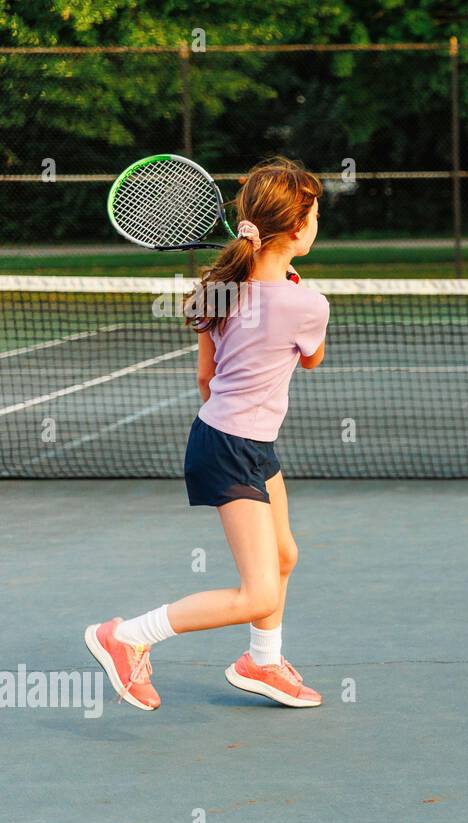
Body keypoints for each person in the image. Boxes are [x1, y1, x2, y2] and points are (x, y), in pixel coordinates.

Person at [84, 157, 329, 711]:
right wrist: (292, 291)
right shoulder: (307, 304)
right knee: (259, 591)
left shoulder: (220, 289)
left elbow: (206, 377)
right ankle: (125, 636)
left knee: (284, 554)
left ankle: (263, 663)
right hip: (233, 449)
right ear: (296, 229)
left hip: (230, 439)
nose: (317, 224)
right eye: (315, 215)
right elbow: (310, 360)